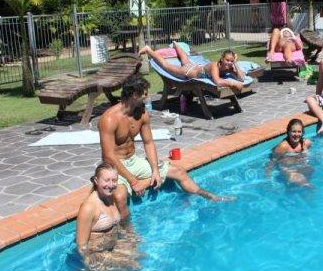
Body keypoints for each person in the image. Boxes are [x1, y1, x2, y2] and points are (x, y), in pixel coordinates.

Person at [98, 75, 231, 219]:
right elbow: (108, 156)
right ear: (134, 95)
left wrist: (155, 170)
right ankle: (128, 231)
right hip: (115, 165)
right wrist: (133, 181)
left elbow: (148, 143)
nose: (147, 97)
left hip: (133, 160)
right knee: (120, 196)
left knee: (179, 172)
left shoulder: (141, 113)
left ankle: (208, 196)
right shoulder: (109, 119)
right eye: (145, 93)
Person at [72, 163, 142, 271]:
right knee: (136, 267)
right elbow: (81, 246)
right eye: (106, 180)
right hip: (96, 254)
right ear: (96, 180)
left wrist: (129, 237)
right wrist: (95, 267)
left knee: (142, 255)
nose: (111, 185)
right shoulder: (89, 207)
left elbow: (116, 225)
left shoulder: (109, 197)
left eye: (114, 180)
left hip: (112, 246)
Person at [139, 44, 246, 94]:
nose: (229, 63)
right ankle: (148, 50)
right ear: (222, 59)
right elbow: (217, 81)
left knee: (185, 58)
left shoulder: (229, 67)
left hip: (194, 66)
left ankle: (176, 45)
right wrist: (233, 83)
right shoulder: (214, 66)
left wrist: (235, 63)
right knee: (166, 65)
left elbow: (241, 78)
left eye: (231, 61)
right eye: (227, 60)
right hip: (187, 72)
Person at [266, 118, 313, 187]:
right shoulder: (283, 146)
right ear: (288, 132)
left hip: (301, 166)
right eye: (293, 131)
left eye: (299, 131)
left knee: (310, 170)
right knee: (303, 183)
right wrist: (268, 178)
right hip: (288, 168)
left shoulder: (306, 143)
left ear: (302, 132)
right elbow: (272, 162)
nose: (296, 134)